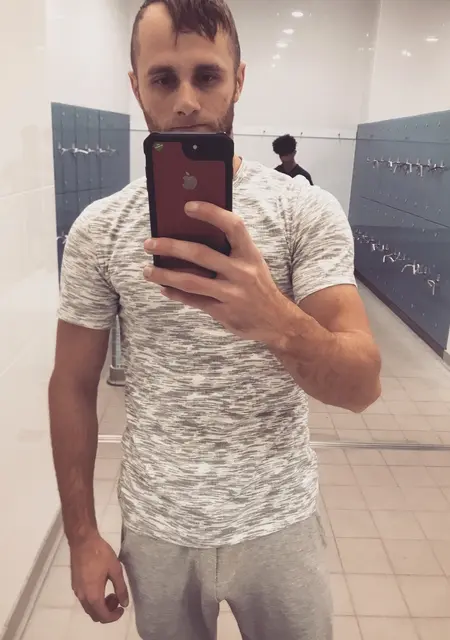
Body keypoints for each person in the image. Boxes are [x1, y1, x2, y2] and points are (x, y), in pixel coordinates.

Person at [49, 1, 381, 639]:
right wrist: (82, 535)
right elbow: (71, 384)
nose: (186, 102)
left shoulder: (304, 211)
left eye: (207, 76)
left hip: (280, 521)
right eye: (163, 78)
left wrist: (274, 318)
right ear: (136, 86)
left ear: (239, 80)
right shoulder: (100, 229)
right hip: (157, 526)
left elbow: (362, 386)